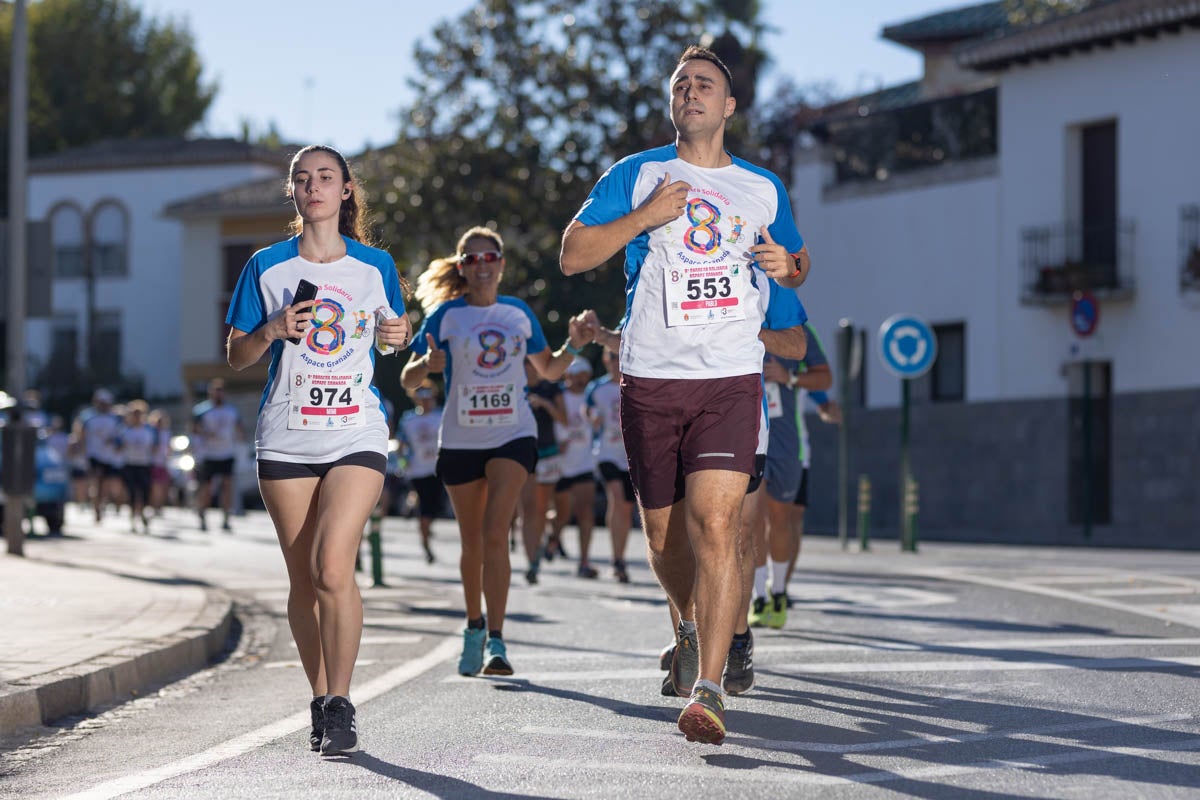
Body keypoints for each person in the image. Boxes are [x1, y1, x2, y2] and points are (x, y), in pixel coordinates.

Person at [560, 45, 810, 745]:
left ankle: (708, 690)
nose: (691, 91)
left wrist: (786, 266)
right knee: (667, 536)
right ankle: (693, 626)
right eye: (681, 84)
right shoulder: (637, 175)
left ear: (729, 106)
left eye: (705, 84)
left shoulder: (761, 187)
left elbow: (798, 262)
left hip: (729, 377)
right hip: (650, 376)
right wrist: (642, 217)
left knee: (719, 528)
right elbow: (573, 255)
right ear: (672, 103)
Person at [225, 144, 412, 757]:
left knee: (334, 566)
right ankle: (320, 698)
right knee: (304, 581)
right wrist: (273, 329)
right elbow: (237, 354)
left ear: (347, 190)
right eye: (303, 180)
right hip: (285, 435)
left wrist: (397, 333)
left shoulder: (374, 265)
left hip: (355, 430)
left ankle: (342, 702)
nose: (314, 188)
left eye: (326, 178)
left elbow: (391, 340)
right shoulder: (267, 265)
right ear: (293, 193)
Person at [402, 225, 590, 678]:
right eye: (472, 259)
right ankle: (472, 626)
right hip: (461, 438)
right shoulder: (446, 317)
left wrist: (575, 345)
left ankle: (497, 642)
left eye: (490, 259)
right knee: (472, 541)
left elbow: (547, 369)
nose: (482, 266)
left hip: (513, 433)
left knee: (495, 530)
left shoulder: (518, 313)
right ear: (462, 268)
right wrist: (427, 365)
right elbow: (409, 380)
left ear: (502, 265)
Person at [585, 346, 635, 583]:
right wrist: (592, 417)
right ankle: (616, 560)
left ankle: (620, 559)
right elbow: (587, 411)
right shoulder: (597, 388)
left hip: (631, 456)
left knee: (626, 507)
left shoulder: (636, 384)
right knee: (616, 497)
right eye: (613, 356)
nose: (617, 361)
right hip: (606, 453)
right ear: (606, 359)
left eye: (620, 355)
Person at [519, 361, 568, 584]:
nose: (529, 367)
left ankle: (547, 540)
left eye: (531, 363)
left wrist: (545, 404)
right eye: (525, 363)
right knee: (528, 509)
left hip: (548, 452)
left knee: (545, 508)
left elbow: (564, 420)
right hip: (523, 451)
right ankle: (532, 561)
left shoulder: (551, 387)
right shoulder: (516, 386)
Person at [554, 357, 600, 578]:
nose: (581, 381)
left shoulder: (592, 396)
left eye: (585, 376)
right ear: (568, 375)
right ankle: (554, 537)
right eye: (577, 376)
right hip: (560, 464)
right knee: (562, 514)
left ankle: (584, 561)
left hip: (584, 462)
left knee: (585, 512)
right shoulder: (558, 396)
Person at [397, 380, 444, 563]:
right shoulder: (409, 420)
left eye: (428, 397)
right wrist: (402, 462)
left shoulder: (441, 416)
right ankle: (426, 546)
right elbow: (401, 444)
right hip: (418, 470)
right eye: (420, 397)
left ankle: (415, 505)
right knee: (426, 509)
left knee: (436, 507)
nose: (424, 402)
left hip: (439, 469)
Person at [192, 379, 245, 532]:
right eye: (216, 390)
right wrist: (206, 434)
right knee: (207, 488)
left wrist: (240, 441)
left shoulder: (232, 411)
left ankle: (226, 517)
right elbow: (194, 429)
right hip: (209, 454)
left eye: (221, 390)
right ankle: (202, 513)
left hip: (226, 453)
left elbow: (239, 429)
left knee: (227, 486)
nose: (218, 393)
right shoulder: (202, 410)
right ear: (211, 393)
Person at [76, 388, 123, 524]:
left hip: (109, 456)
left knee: (105, 484)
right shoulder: (88, 417)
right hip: (93, 454)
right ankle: (96, 507)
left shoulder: (115, 418)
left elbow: (120, 436)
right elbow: (81, 435)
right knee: (95, 481)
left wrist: (116, 443)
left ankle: (101, 504)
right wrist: (82, 451)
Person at [116, 400, 157, 534]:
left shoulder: (150, 430)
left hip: (144, 464)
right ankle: (133, 519)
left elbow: (155, 447)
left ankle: (144, 513)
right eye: (134, 414)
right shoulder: (124, 430)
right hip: (130, 464)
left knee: (145, 493)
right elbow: (117, 447)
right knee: (132, 493)